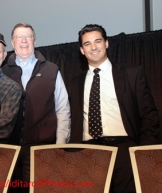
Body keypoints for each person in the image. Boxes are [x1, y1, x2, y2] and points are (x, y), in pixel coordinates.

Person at [69, 24, 160, 193]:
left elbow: (149, 116)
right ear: (82, 50)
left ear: (107, 43)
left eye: (98, 41)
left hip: (125, 150)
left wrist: (143, 153)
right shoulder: (75, 82)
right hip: (89, 152)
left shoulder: (131, 73)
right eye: (87, 44)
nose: (93, 47)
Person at [2, 22, 71, 190]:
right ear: (12, 42)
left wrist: (60, 146)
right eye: (19, 36)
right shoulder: (2, 70)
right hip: (9, 148)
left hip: (42, 148)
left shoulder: (51, 69)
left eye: (28, 36)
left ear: (35, 40)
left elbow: (63, 109)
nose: (24, 40)